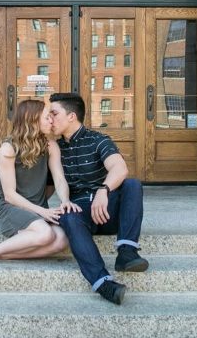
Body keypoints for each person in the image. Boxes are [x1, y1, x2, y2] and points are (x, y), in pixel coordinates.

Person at [48, 92, 148, 306]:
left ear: (72, 116)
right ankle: (103, 284)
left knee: (132, 184)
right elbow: (50, 184)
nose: (50, 118)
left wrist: (103, 190)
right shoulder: (54, 148)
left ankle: (127, 252)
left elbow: (120, 168)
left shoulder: (98, 140)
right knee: (68, 216)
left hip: (106, 209)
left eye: (54, 113)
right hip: (81, 214)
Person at [0, 99, 79, 266]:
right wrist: (42, 211)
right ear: (32, 119)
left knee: (62, 240)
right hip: (10, 209)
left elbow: (59, 179)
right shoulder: (8, 149)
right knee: (45, 234)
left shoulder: (51, 146)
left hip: (37, 209)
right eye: (47, 117)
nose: (51, 120)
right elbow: (10, 196)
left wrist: (66, 200)